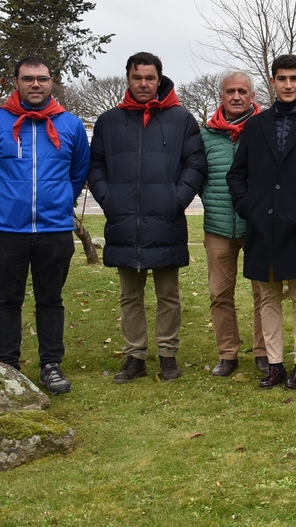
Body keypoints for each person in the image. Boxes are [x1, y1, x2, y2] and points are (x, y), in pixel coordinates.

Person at [0, 56, 90, 394]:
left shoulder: (70, 125)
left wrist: (61, 199)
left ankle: (51, 365)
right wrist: (0, 202)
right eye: (28, 78)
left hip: (54, 230)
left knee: (50, 300)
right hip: (7, 230)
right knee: (7, 299)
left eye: (42, 78)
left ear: (52, 82)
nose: (35, 84)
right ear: (16, 82)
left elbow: (78, 173)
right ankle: (6, 368)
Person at [89, 52, 206, 384]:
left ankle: (168, 354)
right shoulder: (109, 121)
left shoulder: (180, 119)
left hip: (165, 218)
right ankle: (135, 355)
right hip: (124, 219)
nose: (143, 84)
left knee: (168, 294)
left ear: (159, 79)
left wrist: (176, 198)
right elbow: (95, 166)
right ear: (128, 78)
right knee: (130, 295)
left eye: (149, 78)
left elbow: (195, 164)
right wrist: (108, 198)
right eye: (137, 78)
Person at [227, 54, 296, 390]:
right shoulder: (256, 125)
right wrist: (248, 206)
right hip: (264, 223)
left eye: (294, 78)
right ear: (272, 81)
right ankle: (274, 364)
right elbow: (237, 174)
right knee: (268, 295)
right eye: (282, 79)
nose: (288, 85)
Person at [200, 70, 265, 376]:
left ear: (253, 97)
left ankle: (264, 352)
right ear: (221, 97)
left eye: (242, 91)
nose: (236, 96)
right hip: (218, 227)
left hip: (256, 226)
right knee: (219, 294)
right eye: (230, 92)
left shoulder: (265, 129)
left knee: (263, 293)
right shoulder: (206, 136)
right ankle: (227, 353)